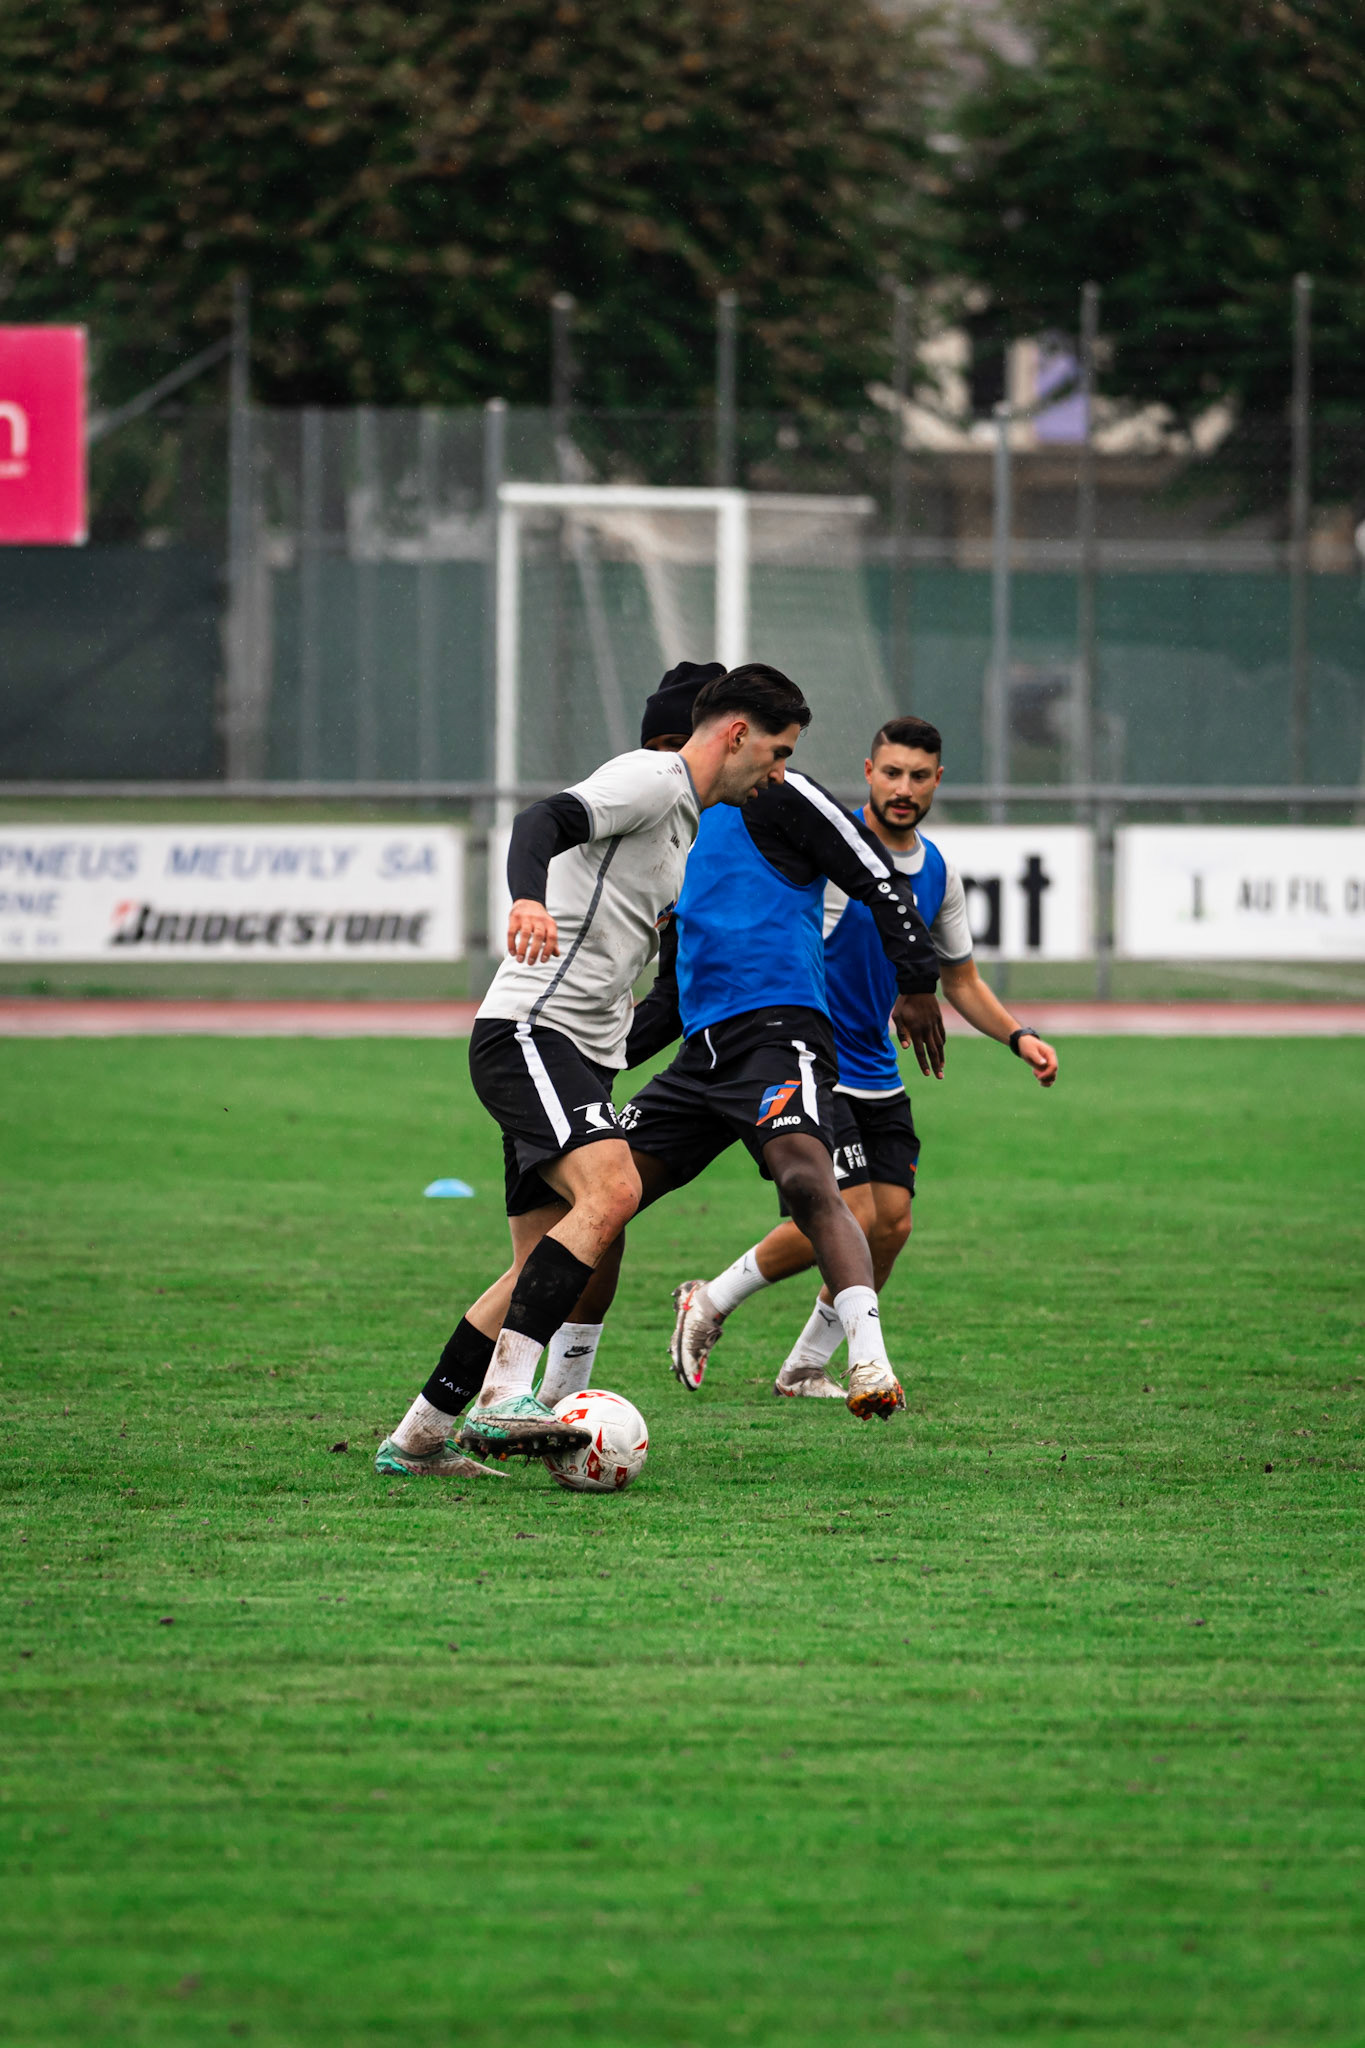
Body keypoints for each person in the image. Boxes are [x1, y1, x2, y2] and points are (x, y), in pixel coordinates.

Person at [373, 662, 811, 1478]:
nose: (779, 775)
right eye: (778, 753)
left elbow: (647, 994)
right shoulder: (653, 778)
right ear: (737, 734)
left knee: (532, 1268)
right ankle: (505, 1396)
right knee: (615, 1191)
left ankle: (420, 1437)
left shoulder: (684, 825)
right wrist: (525, 899)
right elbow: (545, 818)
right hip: (531, 1033)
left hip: (574, 1055)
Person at [568, 693, 949, 1423]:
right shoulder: (671, 836)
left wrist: (916, 980)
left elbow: (876, 877)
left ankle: (867, 1361)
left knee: (815, 1183)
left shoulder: (778, 797)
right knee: (595, 1202)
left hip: (781, 1035)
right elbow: (673, 999)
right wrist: (591, 1055)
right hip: (699, 1057)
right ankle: (555, 1396)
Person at [674, 715, 1060, 1398]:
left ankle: (801, 1367)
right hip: (819, 1061)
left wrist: (1016, 1035)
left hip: (878, 1070)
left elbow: (959, 979)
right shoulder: (825, 846)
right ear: (867, 773)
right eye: (890, 773)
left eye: (917, 776)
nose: (902, 787)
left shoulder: (937, 871)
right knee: (849, 1209)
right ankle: (710, 1300)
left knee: (893, 1225)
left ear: (936, 781)